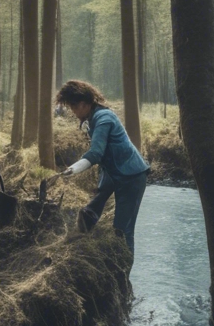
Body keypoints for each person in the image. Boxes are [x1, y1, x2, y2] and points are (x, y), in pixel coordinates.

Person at [55, 80, 149, 254]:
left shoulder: (104, 118)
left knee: (122, 231)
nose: (73, 112)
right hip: (112, 172)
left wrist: (73, 169)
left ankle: (122, 272)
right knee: (96, 202)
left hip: (132, 176)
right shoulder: (92, 116)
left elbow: (96, 153)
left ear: (85, 104)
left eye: (74, 107)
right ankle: (88, 217)